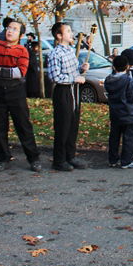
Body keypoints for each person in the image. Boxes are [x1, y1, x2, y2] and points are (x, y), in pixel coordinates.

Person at [0, 19, 42, 173]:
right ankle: (3, 158)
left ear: (21, 34)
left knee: (23, 125)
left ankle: (33, 158)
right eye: (8, 28)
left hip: (15, 90)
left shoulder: (22, 50)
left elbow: (20, 72)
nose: (10, 31)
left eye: (15, 29)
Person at [47, 22, 90, 171]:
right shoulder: (55, 53)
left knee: (73, 125)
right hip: (63, 92)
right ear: (59, 36)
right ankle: (59, 160)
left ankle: (70, 156)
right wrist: (74, 78)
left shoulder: (70, 51)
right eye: (68, 31)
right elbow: (55, 76)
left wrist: (81, 69)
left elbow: (72, 71)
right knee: (63, 126)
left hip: (74, 91)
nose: (71, 34)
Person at [104, 54, 133, 169]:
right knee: (129, 138)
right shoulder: (128, 81)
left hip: (115, 112)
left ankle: (112, 159)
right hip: (128, 113)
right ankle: (126, 160)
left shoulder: (109, 79)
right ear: (127, 66)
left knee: (114, 137)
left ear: (114, 66)